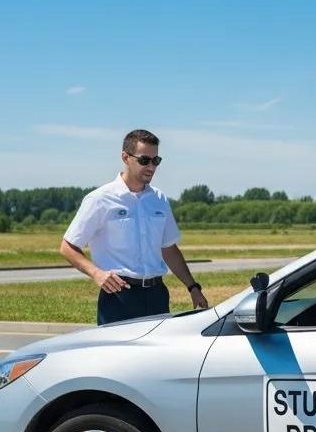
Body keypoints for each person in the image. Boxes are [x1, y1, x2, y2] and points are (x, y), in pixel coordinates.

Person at [60, 129, 209, 325]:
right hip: (119, 297)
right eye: (144, 160)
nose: (151, 167)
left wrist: (193, 287)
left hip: (157, 296)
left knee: (157, 347)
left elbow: (168, 249)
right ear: (125, 157)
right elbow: (67, 247)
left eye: (156, 161)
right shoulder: (100, 199)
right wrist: (97, 274)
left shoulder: (159, 199)